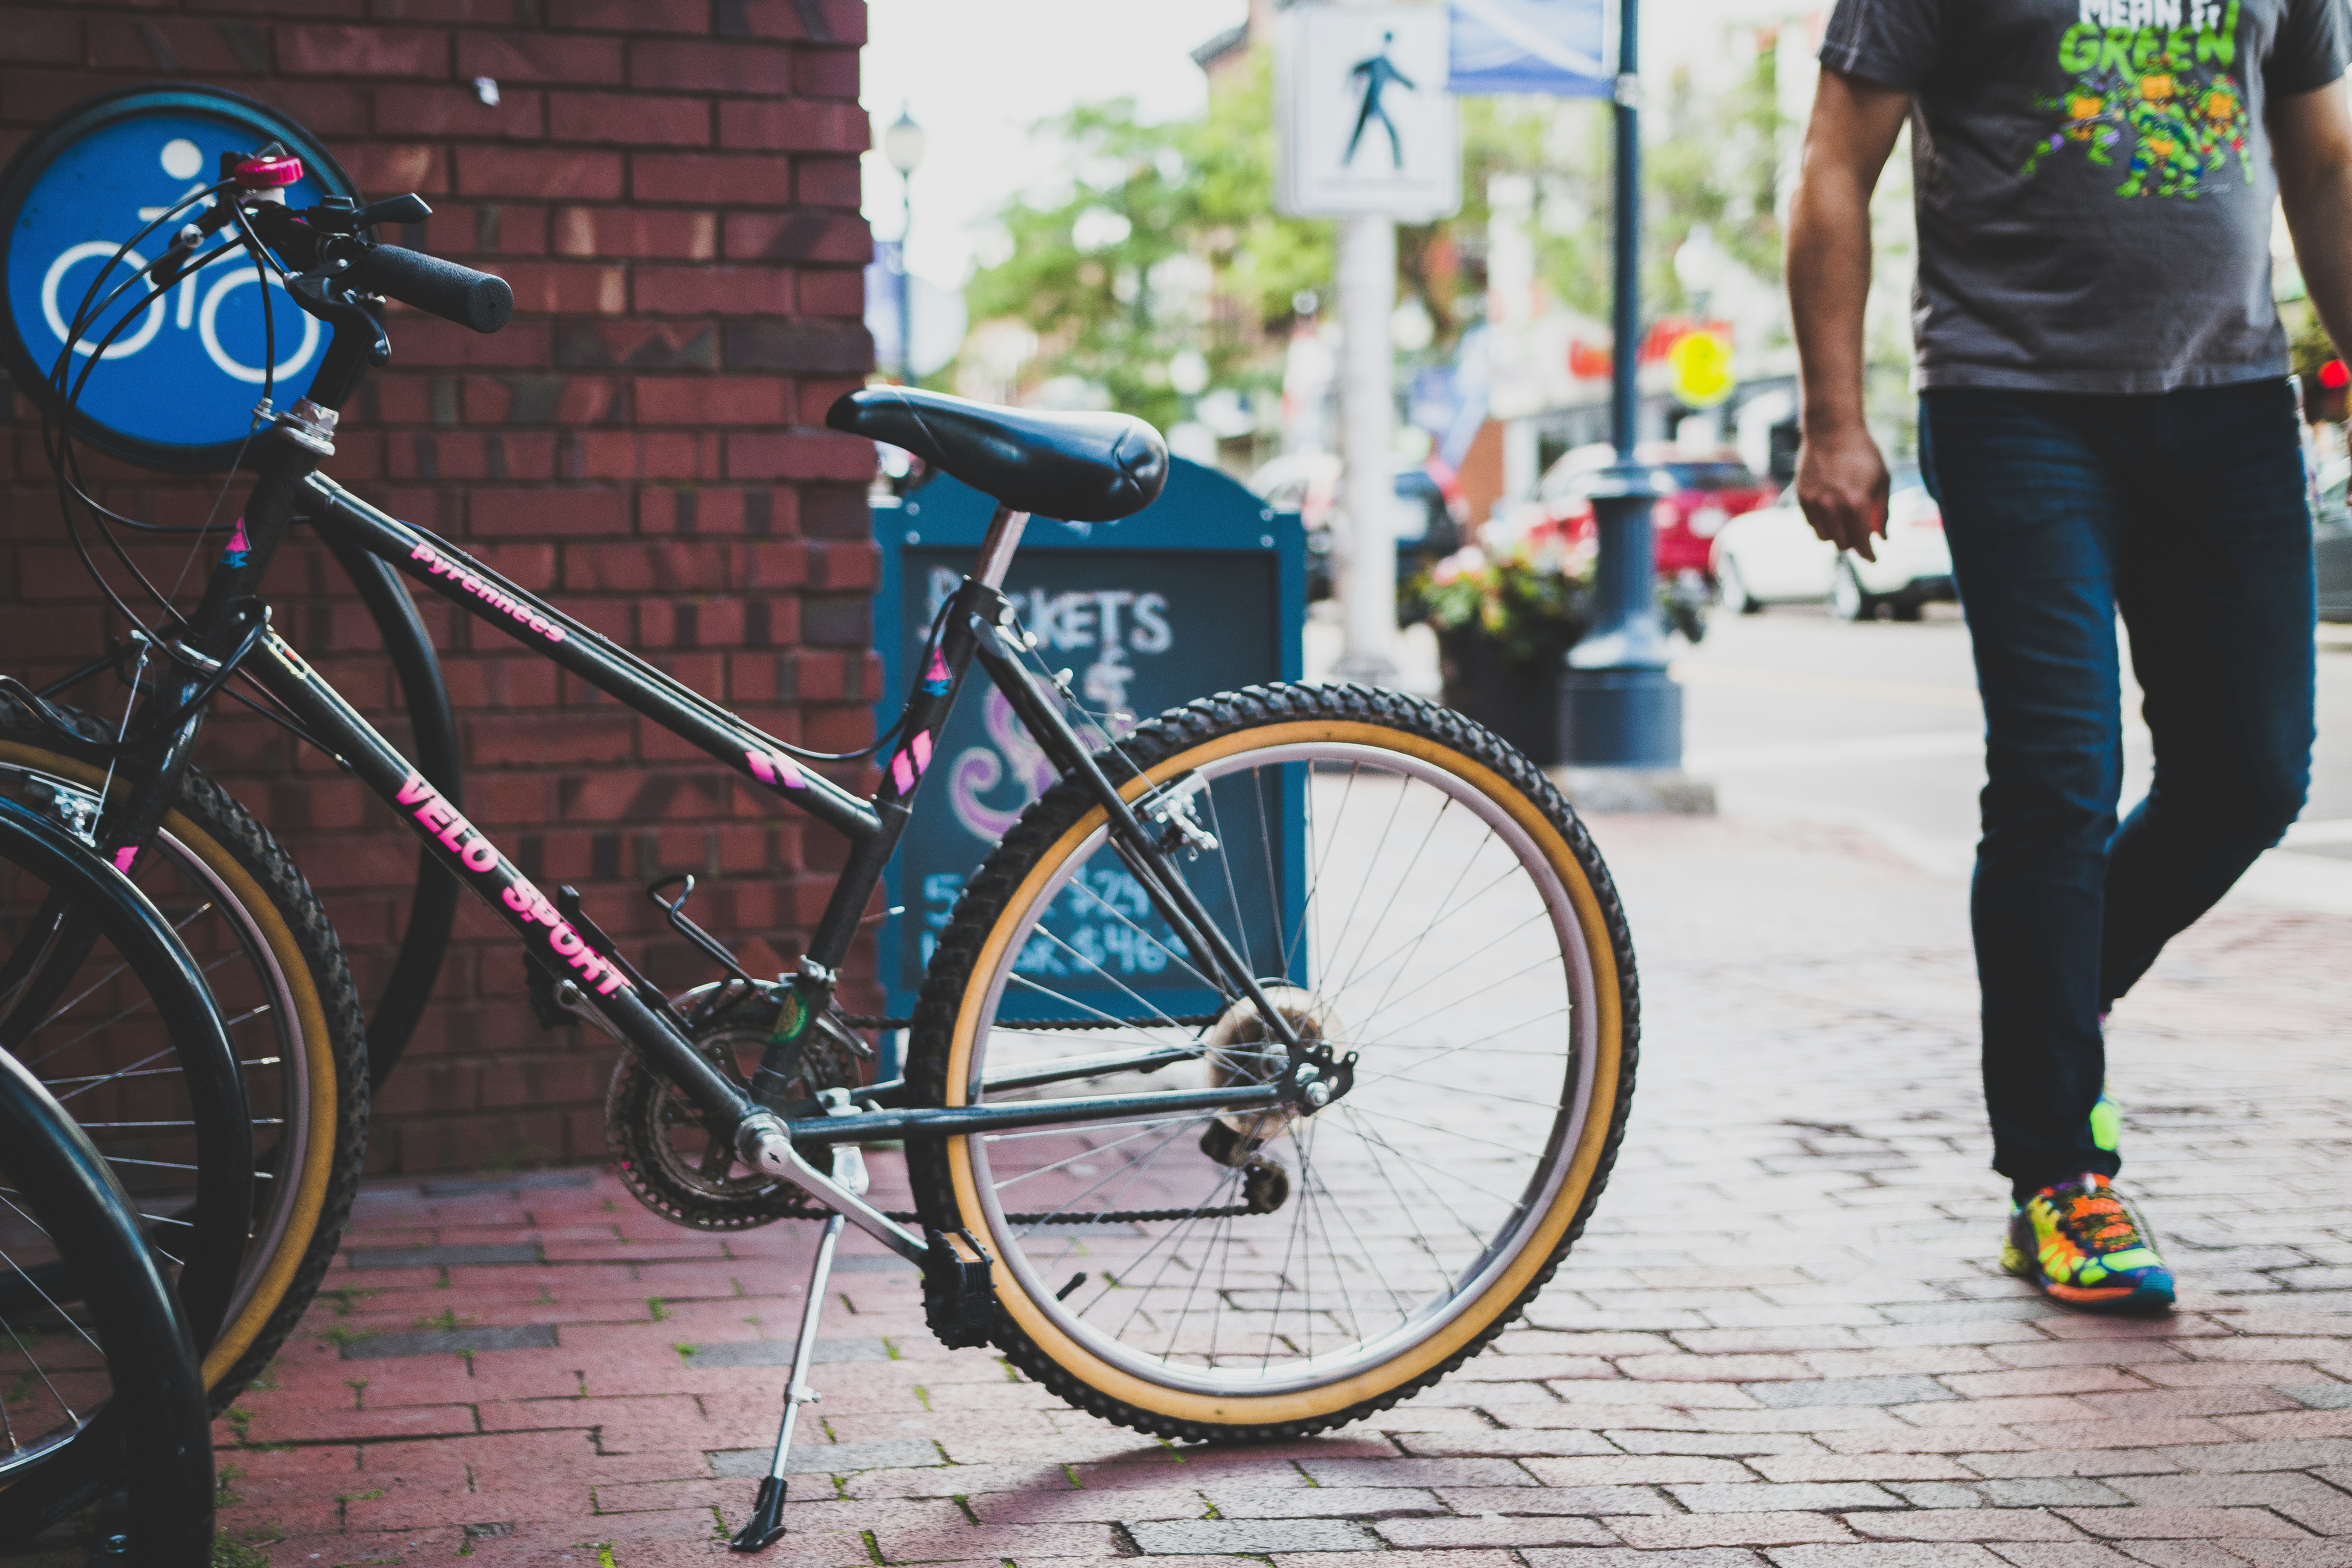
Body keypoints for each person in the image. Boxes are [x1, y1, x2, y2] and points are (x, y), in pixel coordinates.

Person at [1786, 0, 2347, 1313]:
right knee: (2057, 773)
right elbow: (1830, 165)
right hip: (2012, 403)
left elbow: (2321, 159)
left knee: (2252, 775)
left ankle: (2042, 1003)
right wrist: (1833, 418)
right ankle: (2060, 1175)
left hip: (2230, 403)